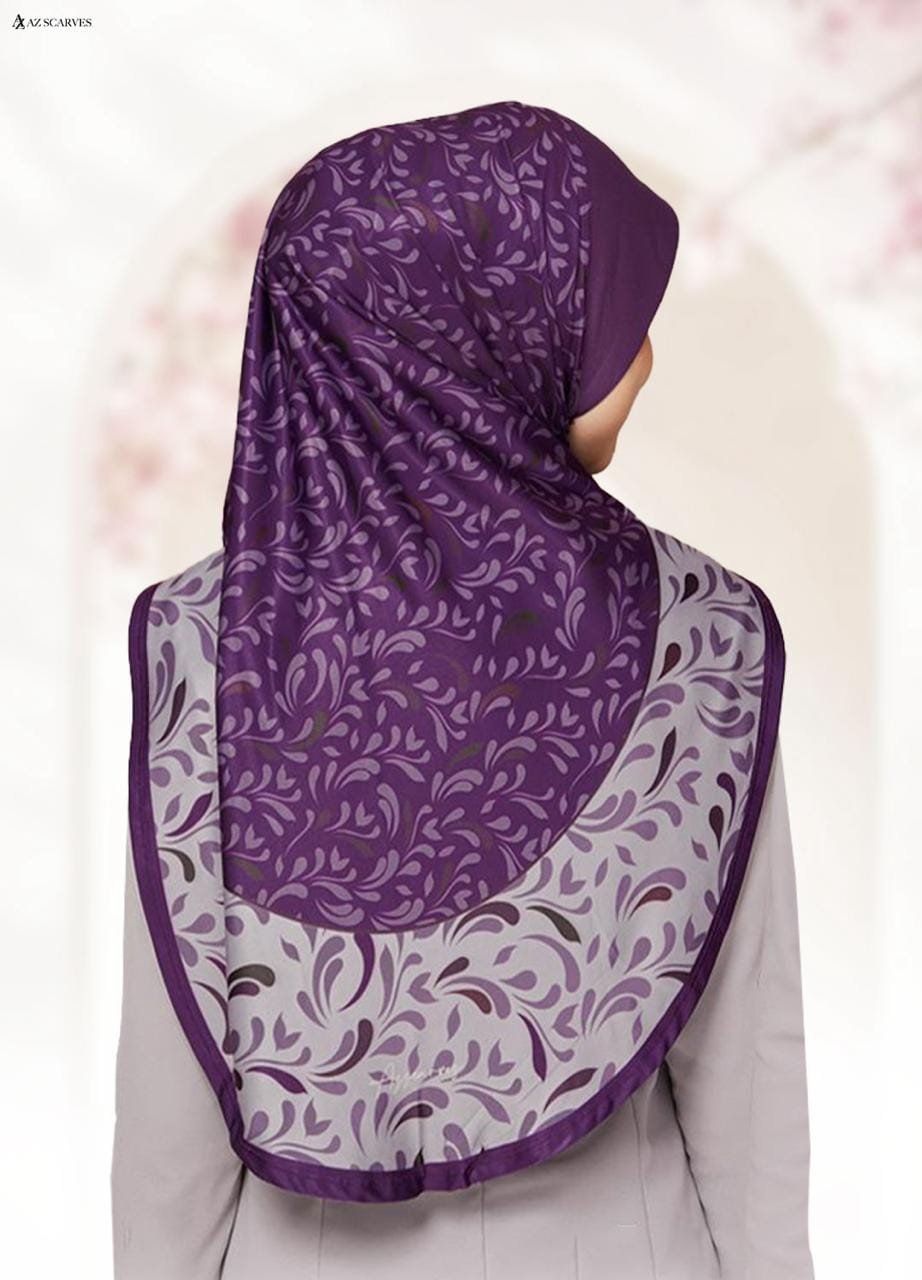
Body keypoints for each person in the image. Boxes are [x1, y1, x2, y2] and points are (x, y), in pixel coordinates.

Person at [111, 100, 814, 1279]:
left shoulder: (206, 643)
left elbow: (170, 1122)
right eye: (595, 310)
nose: (643, 353)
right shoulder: (700, 634)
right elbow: (745, 1078)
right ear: (468, 332)